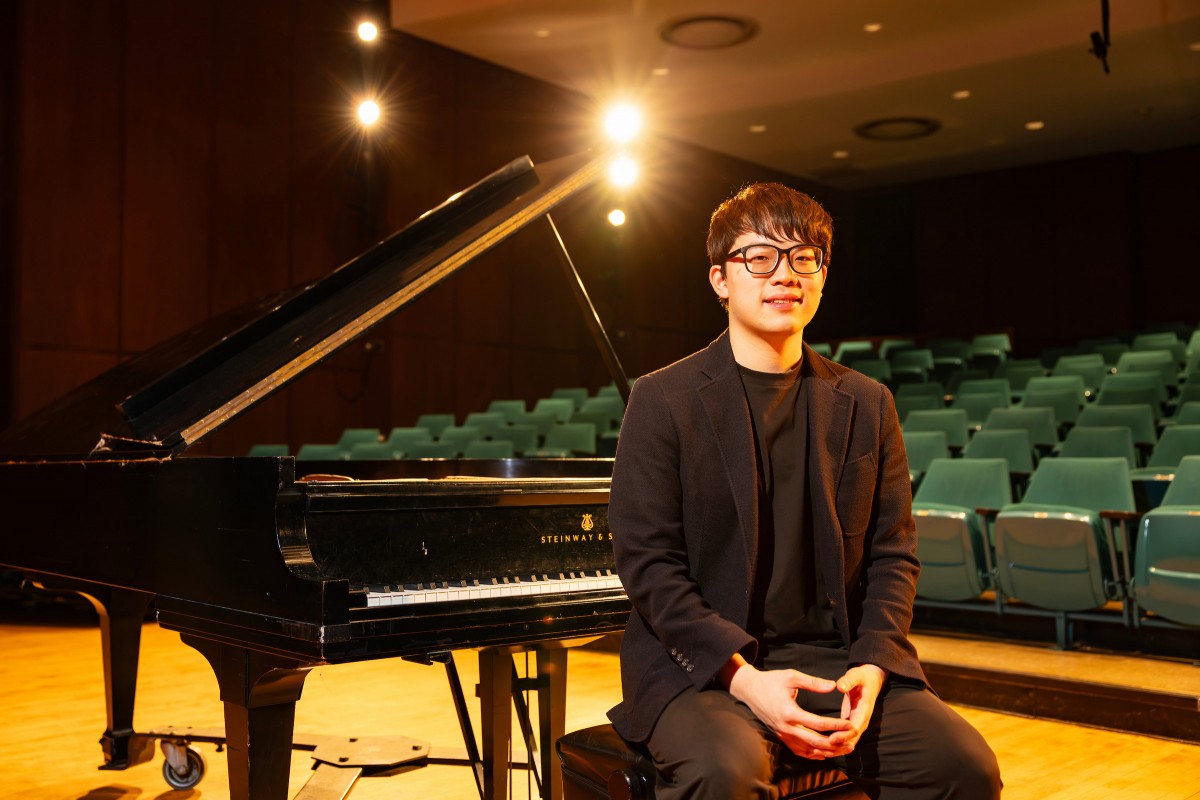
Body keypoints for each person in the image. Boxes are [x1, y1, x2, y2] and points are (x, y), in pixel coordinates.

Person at [607, 182, 1002, 799]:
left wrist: (874, 663)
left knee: (964, 768)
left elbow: (893, 555)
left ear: (822, 276)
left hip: (839, 660)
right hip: (709, 669)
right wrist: (744, 679)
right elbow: (648, 564)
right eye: (759, 257)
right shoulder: (662, 400)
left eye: (803, 258)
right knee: (726, 773)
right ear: (719, 278)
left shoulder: (868, 402)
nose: (783, 275)